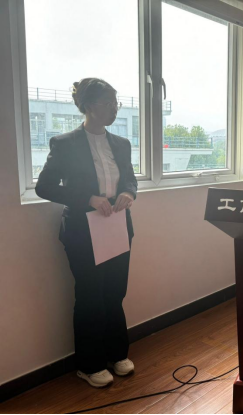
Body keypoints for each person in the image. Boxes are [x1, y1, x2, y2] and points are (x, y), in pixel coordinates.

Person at [35, 78, 137, 389]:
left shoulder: (121, 144)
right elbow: (44, 187)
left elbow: (130, 180)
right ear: (89, 106)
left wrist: (128, 193)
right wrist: (88, 199)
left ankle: (117, 354)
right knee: (91, 296)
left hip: (117, 226)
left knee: (115, 293)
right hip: (82, 231)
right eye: (109, 103)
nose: (115, 109)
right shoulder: (65, 143)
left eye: (117, 103)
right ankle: (89, 364)